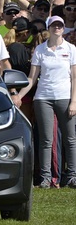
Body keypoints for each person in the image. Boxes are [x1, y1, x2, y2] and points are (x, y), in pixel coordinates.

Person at [13, 16, 76, 189]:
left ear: (63, 28)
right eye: (54, 25)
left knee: (70, 139)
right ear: (49, 27)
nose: (57, 28)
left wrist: (74, 102)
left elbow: (75, 78)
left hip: (65, 96)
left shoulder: (71, 49)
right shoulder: (40, 50)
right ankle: (45, 178)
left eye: (60, 25)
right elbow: (32, 78)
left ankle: (72, 176)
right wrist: (19, 95)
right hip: (43, 98)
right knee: (46, 140)